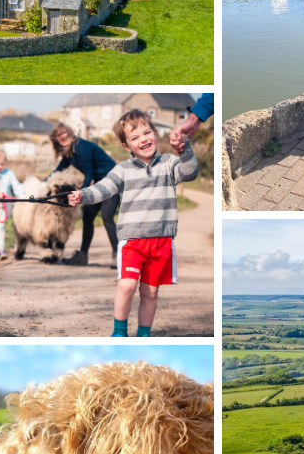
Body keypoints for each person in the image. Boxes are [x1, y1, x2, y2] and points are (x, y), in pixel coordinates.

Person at [67, 109, 198, 338]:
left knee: (151, 292)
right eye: (135, 138)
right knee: (126, 286)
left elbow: (190, 172)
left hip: (161, 241)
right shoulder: (123, 170)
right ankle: (119, 333)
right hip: (131, 241)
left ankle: (143, 335)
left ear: (155, 133)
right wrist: (83, 195)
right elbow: (104, 188)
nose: (143, 139)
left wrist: (184, 149)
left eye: (147, 132)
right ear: (126, 146)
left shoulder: (168, 163)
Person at [49, 123, 119, 267]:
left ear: (70, 132)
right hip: (100, 183)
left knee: (107, 217)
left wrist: (81, 194)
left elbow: (89, 173)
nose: (62, 136)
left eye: (64, 132)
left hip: (113, 182)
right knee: (88, 216)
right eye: (58, 135)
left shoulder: (82, 147)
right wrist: (43, 184)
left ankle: (118, 255)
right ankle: (83, 255)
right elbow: (58, 170)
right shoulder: (69, 152)